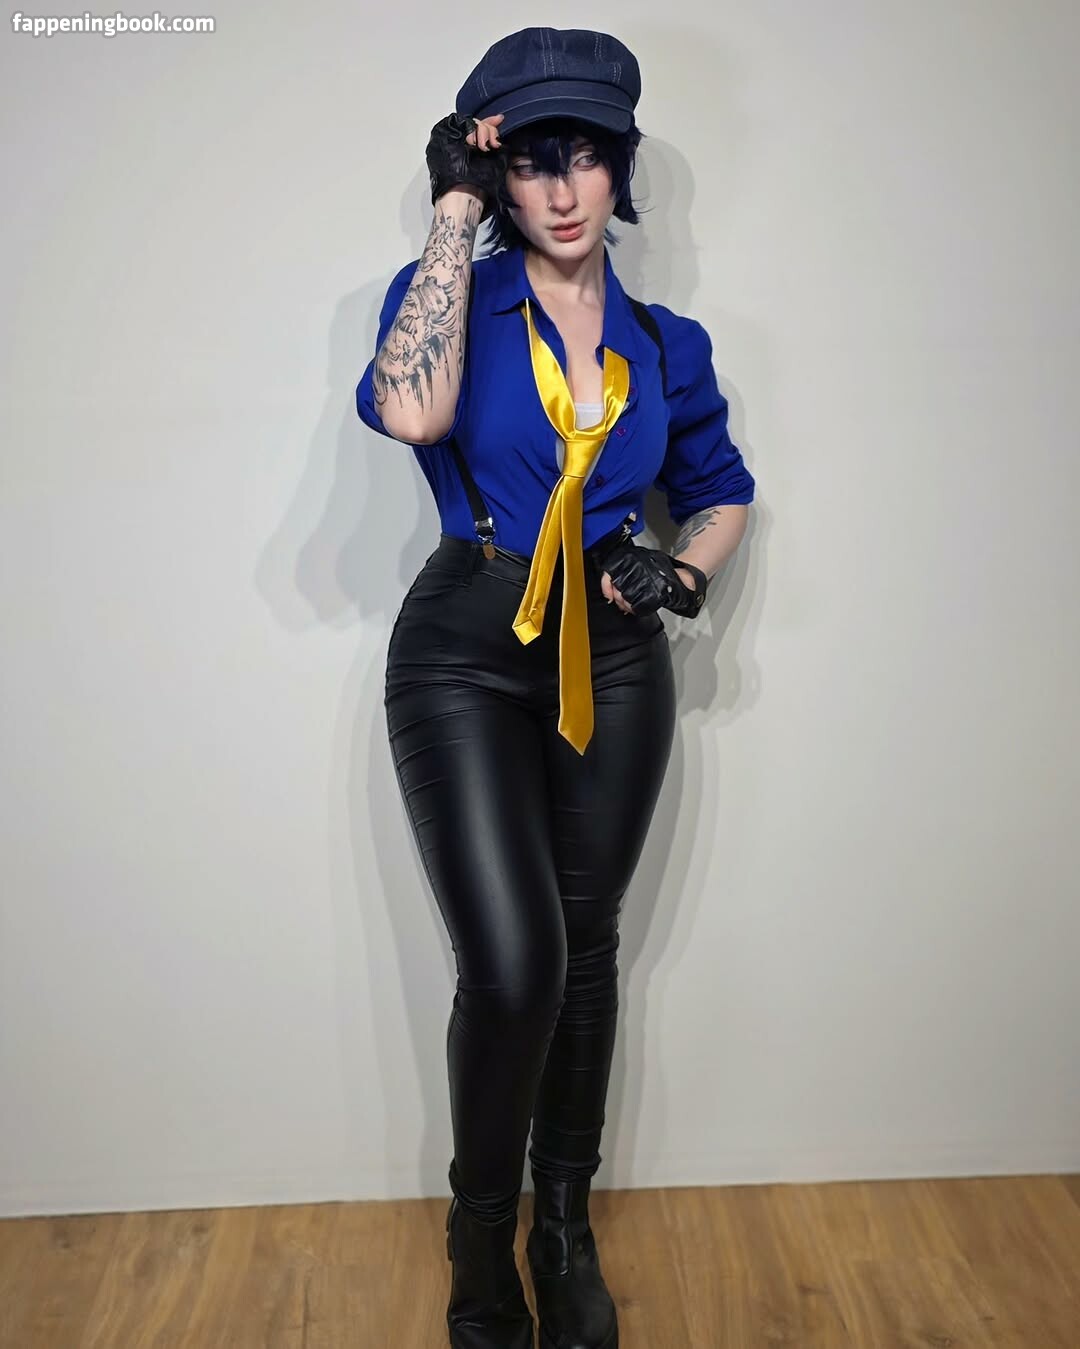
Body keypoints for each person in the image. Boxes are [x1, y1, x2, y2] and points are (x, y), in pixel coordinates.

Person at [355, 26, 755, 1349]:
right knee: (515, 963)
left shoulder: (667, 343)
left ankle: (563, 1229)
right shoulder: (455, 296)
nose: (565, 189)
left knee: (586, 952)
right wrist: (451, 214)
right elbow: (412, 415)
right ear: (500, 174)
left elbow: (723, 491)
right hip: (466, 646)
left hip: (615, 655)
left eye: (587, 156)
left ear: (621, 168)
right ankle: (479, 1247)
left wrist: (680, 572)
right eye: (534, 161)